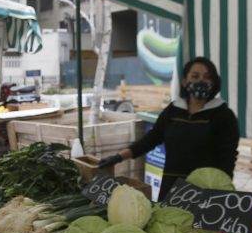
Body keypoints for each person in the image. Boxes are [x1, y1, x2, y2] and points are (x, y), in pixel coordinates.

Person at [98, 57, 239, 199]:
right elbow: (150, 139)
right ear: (184, 81)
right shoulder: (174, 110)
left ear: (214, 82)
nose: (201, 81)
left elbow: (228, 159)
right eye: (195, 76)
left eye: (207, 77)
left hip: (205, 191)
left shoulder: (223, 115)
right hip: (171, 189)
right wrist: (118, 157)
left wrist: (221, 193)